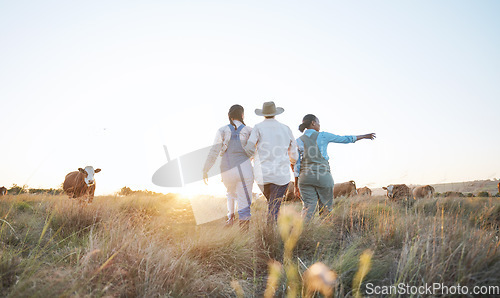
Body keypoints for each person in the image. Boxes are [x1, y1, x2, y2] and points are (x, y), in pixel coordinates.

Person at [294, 114, 375, 221]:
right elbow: (345, 139)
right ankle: (325, 232)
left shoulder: (298, 141)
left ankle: (303, 234)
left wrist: (296, 185)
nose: (319, 125)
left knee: (308, 208)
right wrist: (364, 136)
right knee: (326, 207)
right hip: (323, 176)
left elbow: (296, 164)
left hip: (305, 178)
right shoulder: (323, 136)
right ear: (313, 123)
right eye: (318, 123)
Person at [244, 101, 298, 224]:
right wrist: (292, 161)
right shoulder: (286, 128)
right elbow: (294, 153)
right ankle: (271, 231)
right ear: (275, 113)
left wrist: (251, 156)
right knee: (274, 204)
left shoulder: (258, 127)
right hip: (281, 174)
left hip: (262, 175)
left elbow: (249, 148)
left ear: (263, 114)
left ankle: (271, 231)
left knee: (272, 203)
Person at [203, 105, 253, 228]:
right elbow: (256, 150)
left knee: (230, 193)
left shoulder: (222, 130)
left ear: (229, 116)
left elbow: (214, 151)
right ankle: (244, 229)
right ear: (242, 115)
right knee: (244, 200)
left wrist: (206, 169)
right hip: (244, 169)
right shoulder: (249, 130)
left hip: (227, 169)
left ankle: (230, 217)